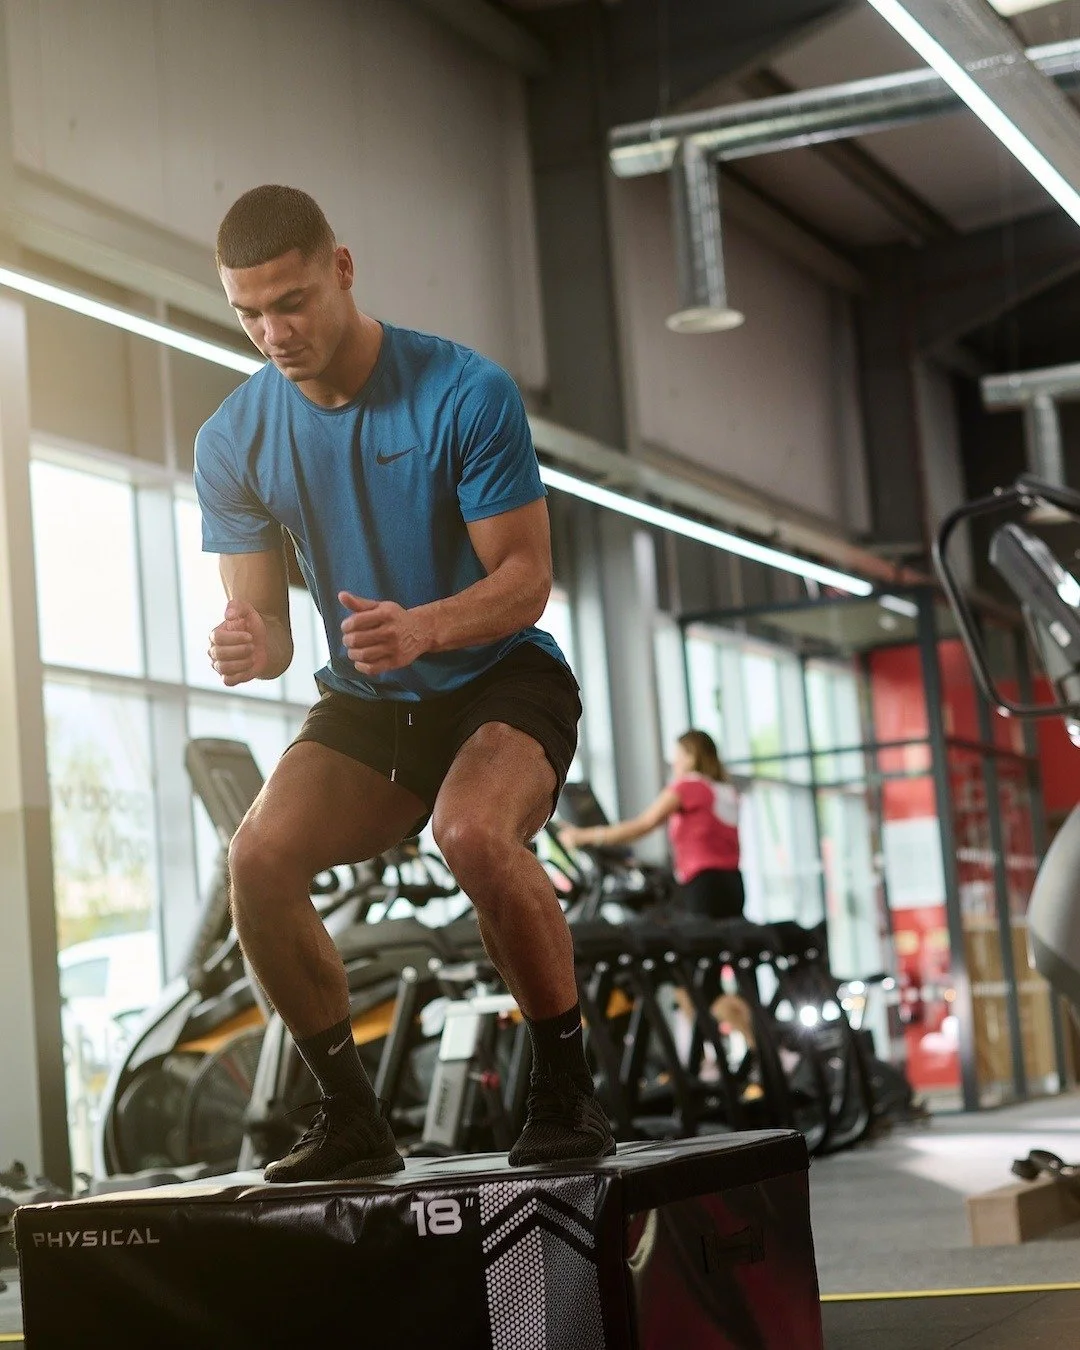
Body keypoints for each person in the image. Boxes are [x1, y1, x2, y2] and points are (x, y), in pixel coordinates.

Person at [196, 184, 614, 1182]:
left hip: (500, 675)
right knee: (255, 860)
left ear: (342, 269)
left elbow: (527, 582)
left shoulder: (464, 392)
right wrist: (251, 645)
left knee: (471, 831)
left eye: (291, 300)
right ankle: (348, 1116)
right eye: (249, 312)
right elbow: (275, 632)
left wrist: (424, 625)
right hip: (372, 698)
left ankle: (567, 1092)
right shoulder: (232, 438)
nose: (273, 330)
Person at [558, 729, 745, 920]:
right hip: (734, 884)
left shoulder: (689, 786)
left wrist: (581, 836)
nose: (674, 763)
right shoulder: (727, 791)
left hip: (704, 885)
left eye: (678, 756)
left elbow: (643, 825)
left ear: (691, 757)